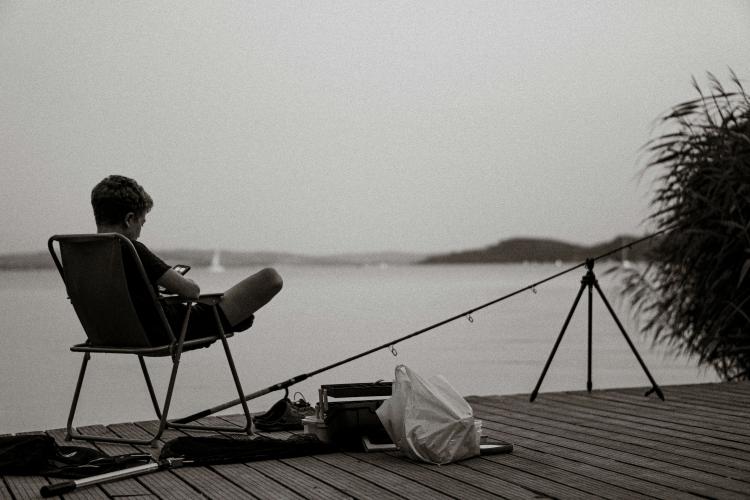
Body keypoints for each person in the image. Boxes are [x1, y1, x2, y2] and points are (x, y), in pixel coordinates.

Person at [90, 175, 282, 343]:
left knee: (241, 317)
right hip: (165, 331)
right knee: (271, 278)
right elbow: (191, 291)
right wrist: (184, 281)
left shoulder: (82, 253)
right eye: (142, 222)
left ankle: (237, 319)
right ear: (129, 219)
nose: (140, 231)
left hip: (107, 334)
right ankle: (237, 319)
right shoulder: (130, 248)